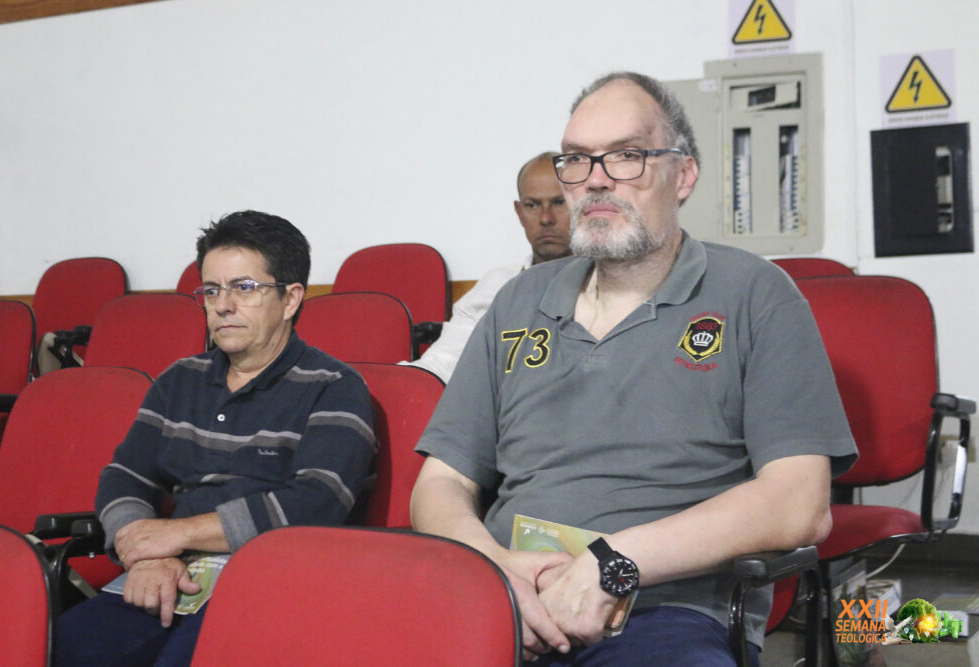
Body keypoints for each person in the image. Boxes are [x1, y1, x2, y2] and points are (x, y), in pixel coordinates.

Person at [410, 72, 857, 665]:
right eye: (576, 159)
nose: (596, 178)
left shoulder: (755, 294)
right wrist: (494, 568)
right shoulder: (518, 302)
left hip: (664, 610)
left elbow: (799, 503)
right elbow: (440, 484)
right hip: (502, 599)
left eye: (627, 155)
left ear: (684, 175)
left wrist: (613, 564)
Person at [54, 210, 376, 666]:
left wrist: (177, 534)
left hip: (272, 583)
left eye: (244, 288)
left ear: (290, 299)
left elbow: (316, 503)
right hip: (163, 573)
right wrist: (145, 553)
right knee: (55, 649)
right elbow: (124, 477)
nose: (222, 305)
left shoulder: (334, 386)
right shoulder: (179, 380)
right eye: (211, 290)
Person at [409, 152, 572, 383]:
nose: (546, 218)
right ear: (520, 213)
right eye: (532, 205)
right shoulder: (496, 284)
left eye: (559, 202)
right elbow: (441, 363)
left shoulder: (608, 285)